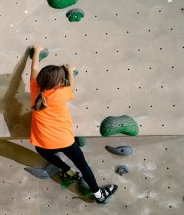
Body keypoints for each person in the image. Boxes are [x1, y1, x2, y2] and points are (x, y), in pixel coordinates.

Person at [28, 44, 117, 202]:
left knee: (41, 150)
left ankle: (67, 170)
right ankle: (99, 195)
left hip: (43, 142)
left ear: (41, 80)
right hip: (65, 141)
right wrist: (70, 71)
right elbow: (72, 86)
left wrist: (36, 52)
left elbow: (34, 68)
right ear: (60, 84)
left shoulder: (35, 88)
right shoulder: (62, 94)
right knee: (83, 166)